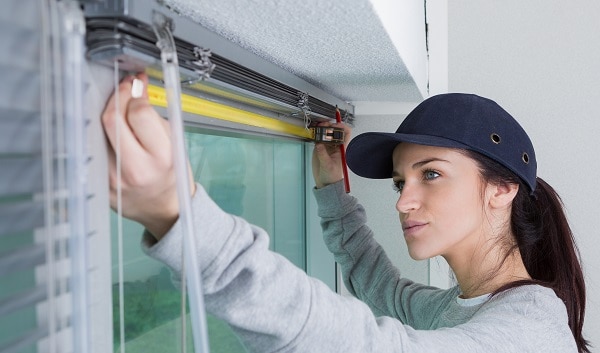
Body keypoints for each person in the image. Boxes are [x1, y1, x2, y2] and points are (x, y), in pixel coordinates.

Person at [102, 73, 590, 352]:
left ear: (502, 187)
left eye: (432, 174)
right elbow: (379, 286)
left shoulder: (530, 334)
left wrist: (182, 220)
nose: (403, 201)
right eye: (401, 181)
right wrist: (332, 188)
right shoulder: (458, 308)